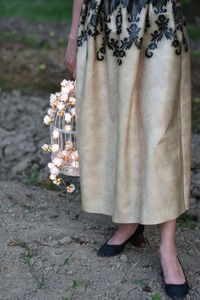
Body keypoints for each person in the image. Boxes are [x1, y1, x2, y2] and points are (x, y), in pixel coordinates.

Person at [64, 1, 192, 298]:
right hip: (102, 21)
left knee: (161, 132)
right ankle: (129, 220)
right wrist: (73, 34)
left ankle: (168, 249)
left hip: (158, 19)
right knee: (111, 124)